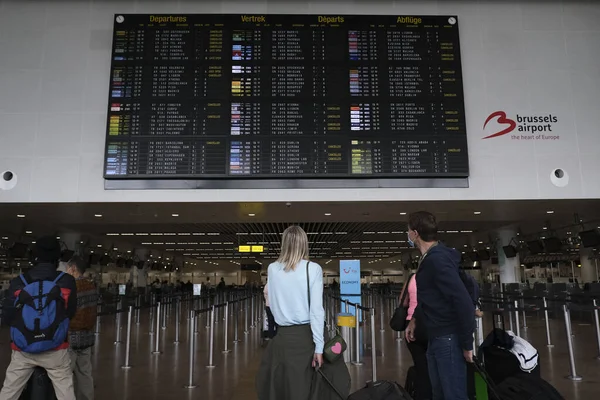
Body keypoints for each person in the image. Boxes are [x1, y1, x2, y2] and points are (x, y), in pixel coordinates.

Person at [405, 212, 475, 400]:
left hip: (448, 338)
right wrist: (415, 319)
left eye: (409, 230)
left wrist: (467, 344)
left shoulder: (437, 259)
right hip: (436, 336)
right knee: (439, 393)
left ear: (415, 234)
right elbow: (431, 297)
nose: (408, 234)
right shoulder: (430, 258)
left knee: (453, 395)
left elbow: (463, 302)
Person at [0, 236, 78, 400]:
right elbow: (70, 312)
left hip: (23, 349)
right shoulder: (66, 281)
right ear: (57, 258)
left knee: (10, 390)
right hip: (55, 348)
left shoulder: (18, 282)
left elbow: (7, 316)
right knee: (65, 388)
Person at [256, 226, 325, 400]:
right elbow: (316, 311)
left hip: (281, 339)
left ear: (284, 244)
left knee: (280, 388)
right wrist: (319, 346)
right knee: (303, 388)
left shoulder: (272, 269)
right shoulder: (313, 269)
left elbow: (270, 304)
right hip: (305, 338)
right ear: (304, 244)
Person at [65, 255, 98, 400]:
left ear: (73, 269)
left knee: (66, 375)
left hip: (71, 336)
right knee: (85, 373)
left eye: (67, 269)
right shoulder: (91, 286)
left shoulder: (71, 287)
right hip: (88, 336)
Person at [403, 273, 432, 400]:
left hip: (412, 328)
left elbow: (403, 302)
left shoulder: (411, 278)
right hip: (432, 326)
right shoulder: (438, 276)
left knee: (421, 369)